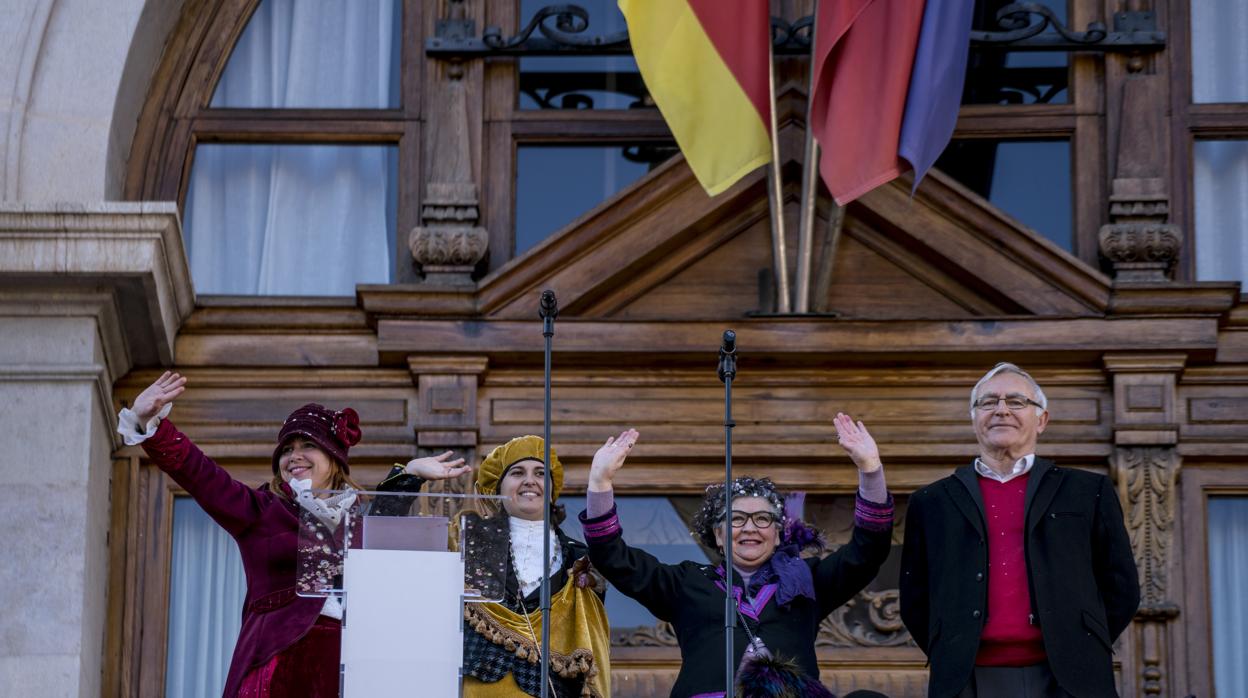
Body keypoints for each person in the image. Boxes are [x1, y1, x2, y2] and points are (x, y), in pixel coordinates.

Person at [117, 371, 468, 698]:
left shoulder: (358, 518)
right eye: (287, 450)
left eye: (307, 446)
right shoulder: (261, 510)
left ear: (333, 458)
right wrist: (149, 423)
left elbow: (383, 529)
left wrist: (410, 474)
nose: (294, 456)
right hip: (279, 661)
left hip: (353, 665)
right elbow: (201, 476)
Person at [578, 415, 894, 697]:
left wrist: (870, 470)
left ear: (779, 532)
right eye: (737, 519)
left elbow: (867, 552)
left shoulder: (807, 579)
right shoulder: (687, 582)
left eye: (762, 519)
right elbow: (614, 558)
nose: (749, 528)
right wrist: (599, 483)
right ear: (718, 535)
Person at [899, 362, 1140, 698]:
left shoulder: (1088, 492)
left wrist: (1077, 643)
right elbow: (914, 598)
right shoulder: (932, 501)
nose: (1001, 411)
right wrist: (954, 647)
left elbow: (1122, 587)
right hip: (967, 680)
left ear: (1041, 420)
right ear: (973, 418)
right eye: (988, 402)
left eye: (1016, 402)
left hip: (1071, 680)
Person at [456, 434, 612, 698]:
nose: (530, 480)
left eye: (541, 473)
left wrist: (602, 481)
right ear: (497, 487)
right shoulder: (467, 541)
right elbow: (394, 555)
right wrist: (410, 479)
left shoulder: (581, 558)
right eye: (517, 472)